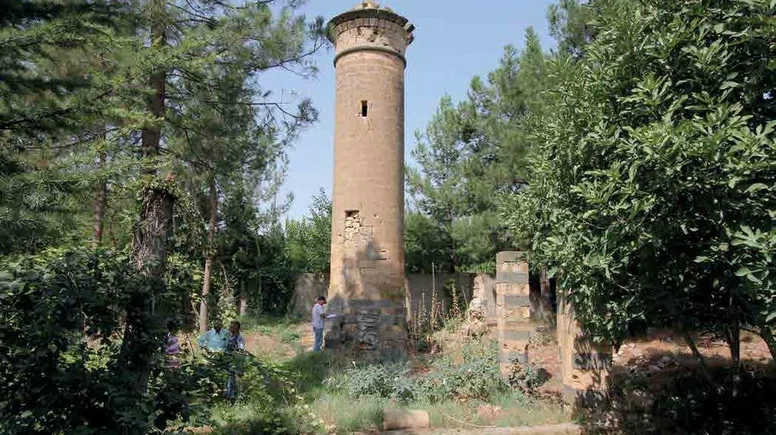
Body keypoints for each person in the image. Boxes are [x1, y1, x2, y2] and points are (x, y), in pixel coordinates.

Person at [225, 320, 245, 402]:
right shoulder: (229, 337)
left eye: (232, 326)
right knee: (229, 379)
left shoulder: (240, 338)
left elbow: (241, 351)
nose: (230, 327)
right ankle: (229, 395)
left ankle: (233, 397)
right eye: (230, 326)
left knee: (233, 380)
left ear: (236, 328)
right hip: (227, 360)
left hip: (235, 361)